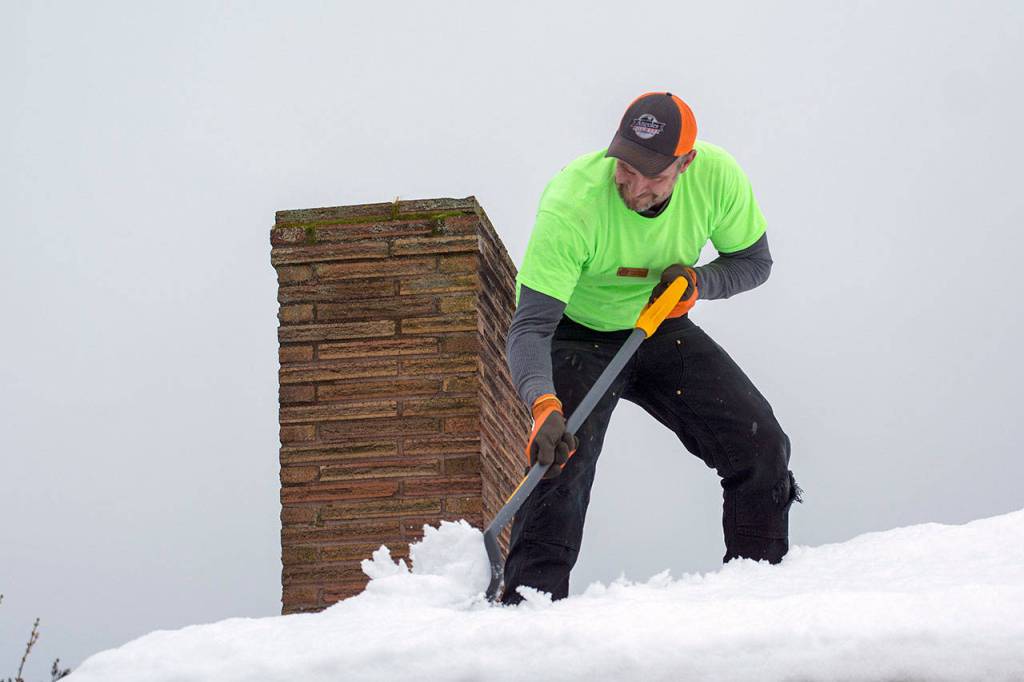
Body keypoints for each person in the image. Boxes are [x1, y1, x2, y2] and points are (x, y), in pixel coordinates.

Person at [501, 92, 800, 605]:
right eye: (627, 169)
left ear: (686, 163)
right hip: (577, 334)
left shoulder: (717, 179)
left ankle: (759, 593)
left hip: (661, 324)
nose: (636, 187)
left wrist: (698, 282)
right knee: (558, 469)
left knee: (761, 445)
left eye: (656, 176)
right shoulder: (573, 204)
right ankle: (527, 613)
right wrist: (542, 403)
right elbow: (529, 327)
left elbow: (754, 261)